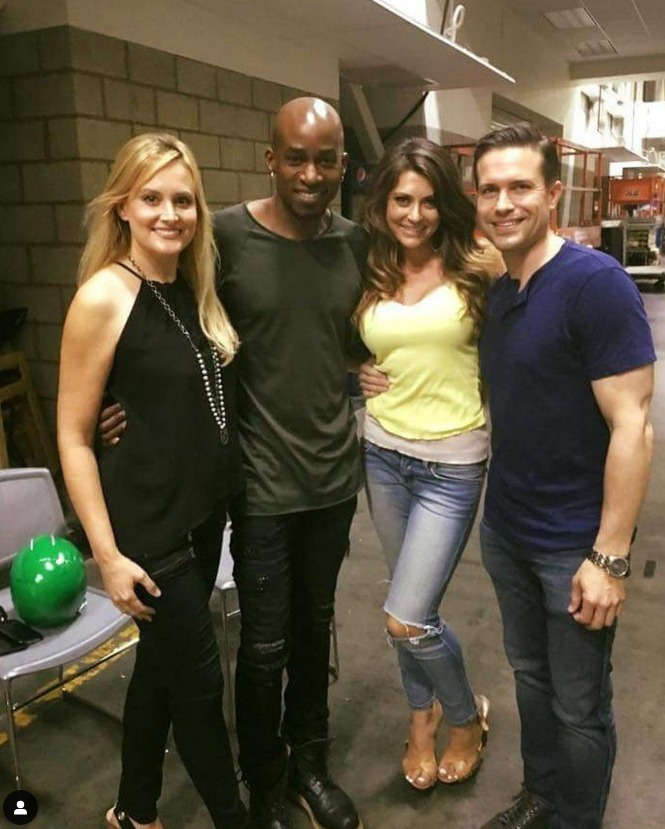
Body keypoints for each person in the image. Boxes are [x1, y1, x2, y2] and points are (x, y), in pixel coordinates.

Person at [100, 98, 367, 829]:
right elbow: (157, 324)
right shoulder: (221, 237)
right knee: (264, 645)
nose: (310, 174)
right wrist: (113, 401)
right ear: (269, 159)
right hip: (258, 486)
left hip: (333, 480)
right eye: (295, 158)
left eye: (325, 160)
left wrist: (371, 369)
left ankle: (309, 765)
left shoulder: (355, 242)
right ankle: (264, 781)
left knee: (314, 633)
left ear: (343, 165)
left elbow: (353, 335)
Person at [58, 133, 248, 829]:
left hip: (198, 516)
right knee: (198, 685)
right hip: (147, 530)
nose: (170, 214)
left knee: (160, 671)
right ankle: (233, 817)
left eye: (183, 200)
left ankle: (134, 811)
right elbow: (73, 436)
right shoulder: (104, 296)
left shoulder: (191, 286)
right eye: (152, 198)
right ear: (123, 206)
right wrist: (107, 556)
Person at [473, 123, 655, 829]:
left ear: (552, 193)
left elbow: (632, 426)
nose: (503, 203)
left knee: (579, 704)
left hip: (573, 544)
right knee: (529, 678)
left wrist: (608, 556)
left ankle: (577, 819)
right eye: (489, 189)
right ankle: (541, 793)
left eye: (519, 187)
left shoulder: (595, 285)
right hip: (507, 530)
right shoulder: (501, 292)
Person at [356, 137, 492, 791]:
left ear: (446, 206)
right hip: (383, 453)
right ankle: (421, 719)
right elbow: (342, 339)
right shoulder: (371, 266)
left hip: (453, 462)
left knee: (407, 618)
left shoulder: (477, 263)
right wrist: (353, 370)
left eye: (429, 201)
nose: (414, 214)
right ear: (383, 203)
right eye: (402, 200)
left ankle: (463, 718)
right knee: (404, 604)